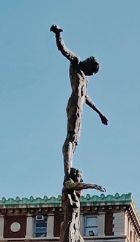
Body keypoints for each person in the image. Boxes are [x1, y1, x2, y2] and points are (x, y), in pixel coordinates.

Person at [49, 25, 107, 177]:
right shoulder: (76, 63)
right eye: (93, 71)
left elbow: (86, 96)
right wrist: (58, 35)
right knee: (71, 138)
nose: (92, 74)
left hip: (80, 106)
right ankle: (67, 173)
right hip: (74, 104)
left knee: (75, 142)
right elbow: (64, 50)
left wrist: (100, 113)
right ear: (89, 63)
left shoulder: (85, 79)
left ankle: (69, 169)